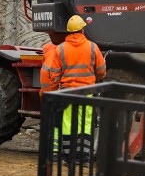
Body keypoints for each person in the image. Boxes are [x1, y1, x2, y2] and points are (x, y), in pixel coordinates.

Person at [40, 15, 107, 163]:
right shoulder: (92, 47)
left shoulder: (60, 49)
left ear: (69, 32)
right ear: (82, 30)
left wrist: (52, 91)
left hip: (67, 92)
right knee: (86, 122)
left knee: (67, 124)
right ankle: (83, 157)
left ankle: (68, 156)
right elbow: (102, 71)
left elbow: (52, 73)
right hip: (87, 92)